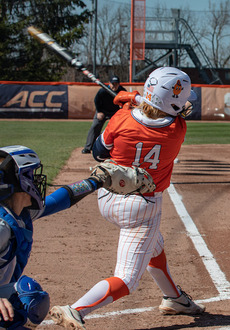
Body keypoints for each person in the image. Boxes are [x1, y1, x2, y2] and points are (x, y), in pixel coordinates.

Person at [49, 67, 204, 329]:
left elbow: (99, 153)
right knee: (127, 279)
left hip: (108, 197)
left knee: (154, 243)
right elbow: (167, 113)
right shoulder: (177, 129)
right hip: (141, 207)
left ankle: (175, 298)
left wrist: (127, 105)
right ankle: (75, 310)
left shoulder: (121, 119)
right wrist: (132, 100)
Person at [0, 145, 108, 328]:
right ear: (22, 181)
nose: (36, 181)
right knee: (28, 297)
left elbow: (62, 199)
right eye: (32, 176)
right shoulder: (2, 227)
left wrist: (97, 181)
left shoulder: (19, 213)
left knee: (29, 296)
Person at [81, 75, 127, 154]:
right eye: (113, 84)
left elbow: (125, 103)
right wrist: (99, 112)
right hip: (103, 111)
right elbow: (97, 100)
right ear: (109, 83)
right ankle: (88, 147)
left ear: (119, 84)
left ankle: (118, 148)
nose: (114, 85)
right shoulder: (103, 90)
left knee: (119, 128)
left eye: (116, 84)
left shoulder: (122, 91)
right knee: (95, 126)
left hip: (115, 112)